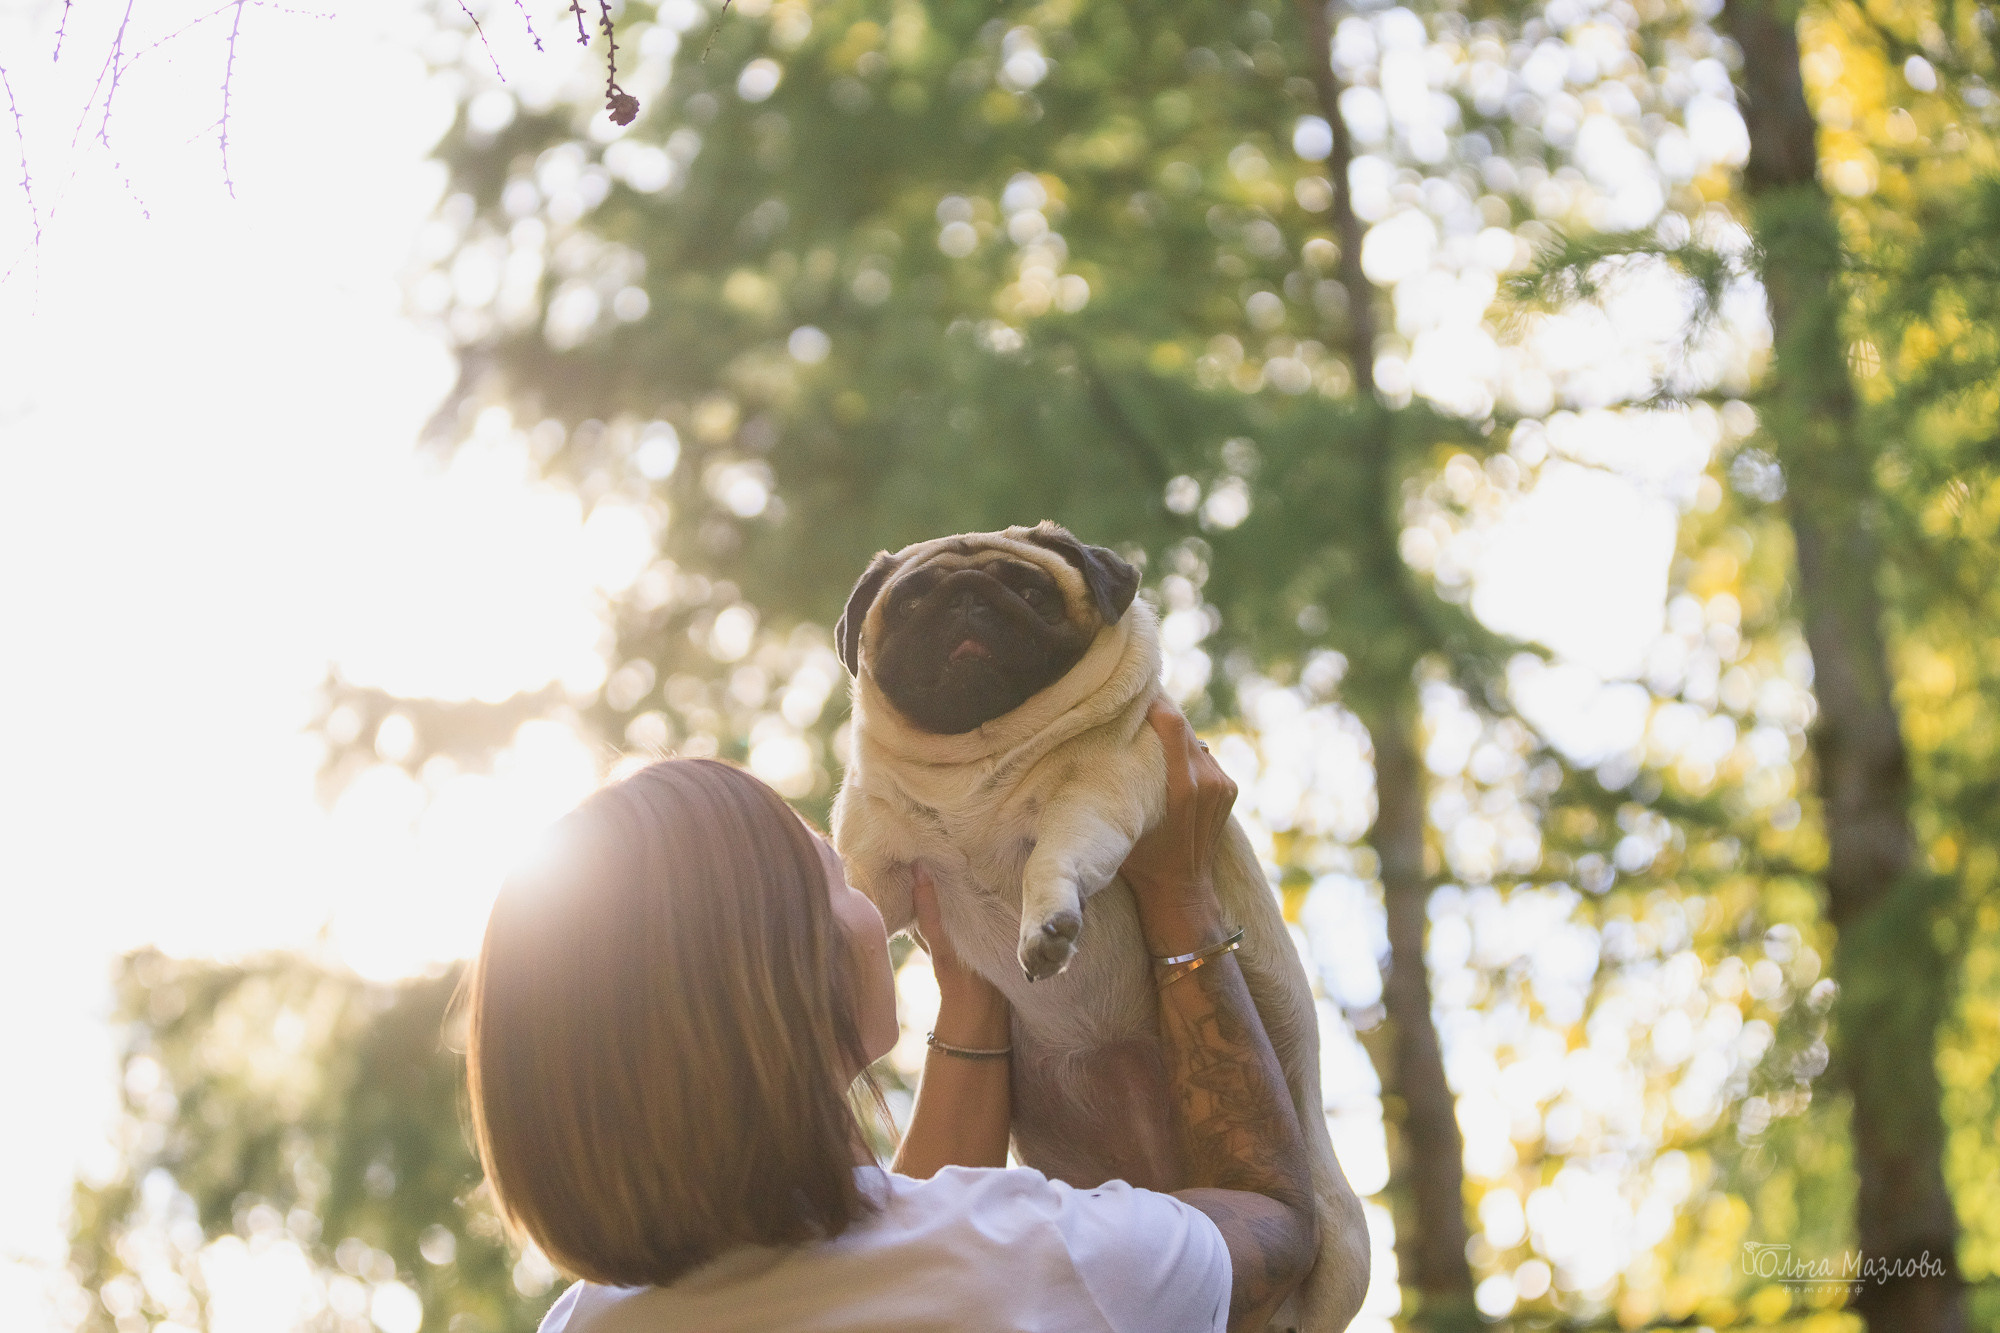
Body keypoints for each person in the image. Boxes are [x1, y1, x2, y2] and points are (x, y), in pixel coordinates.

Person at [464, 703, 1345, 1332]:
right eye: (833, 875)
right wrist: (1177, 891)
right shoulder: (1039, 1263)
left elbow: (890, 1242)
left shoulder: (587, 1320)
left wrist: (977, 996)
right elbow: (1273, 1222)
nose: (864, 892)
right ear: (790, 976)